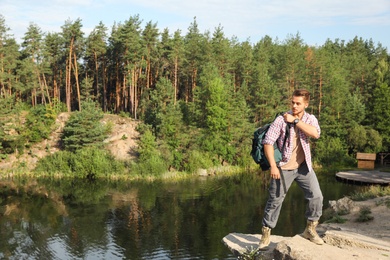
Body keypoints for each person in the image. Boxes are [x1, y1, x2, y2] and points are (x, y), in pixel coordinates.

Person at [258, 89, 324, 250]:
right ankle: (266, 234)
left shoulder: (309, 119)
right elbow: (268, 142)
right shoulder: (281, 120)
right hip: (283, 168)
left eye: (298, 103)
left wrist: (295, 121)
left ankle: (310, 229)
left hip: (303, 167)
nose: (294, 105)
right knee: (274, 202)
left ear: (306, 104)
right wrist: (273, 165)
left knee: (316, 197)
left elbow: (315, 134)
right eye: (292, 102)